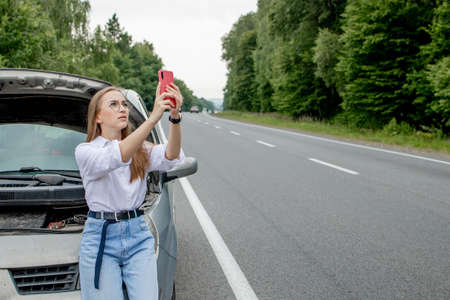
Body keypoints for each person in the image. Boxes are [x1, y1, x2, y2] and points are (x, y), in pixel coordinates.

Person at [74, 82, 184, 300]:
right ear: (97, 117)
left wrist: (175, 117)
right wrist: (153, 118)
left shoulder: (139, 149)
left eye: (124, 104)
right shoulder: (85, 151)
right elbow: (120, 155)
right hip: (101, 239)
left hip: (138, 235)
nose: (122, 108)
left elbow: (171, 155)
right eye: (113, 104)